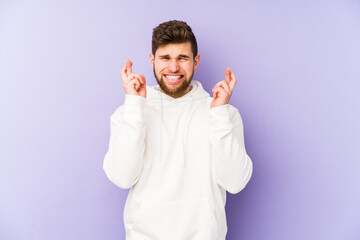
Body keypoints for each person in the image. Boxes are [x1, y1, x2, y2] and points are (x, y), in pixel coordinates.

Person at [103, 20, 253, 240]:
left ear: (196, 61)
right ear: (152, 60)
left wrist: (219, 115)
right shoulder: (130, 112)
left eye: (182, 58)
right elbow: (122, 178)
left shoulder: (222, 113)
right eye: (165, 58)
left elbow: (236, 182)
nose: (173, 68)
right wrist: (135, 106)